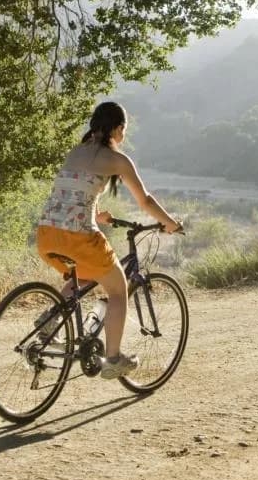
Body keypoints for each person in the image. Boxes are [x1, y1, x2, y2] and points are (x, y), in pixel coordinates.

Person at [36, 101, 181, 379]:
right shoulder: (117, 159)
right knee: (117, 290)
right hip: (78, 237)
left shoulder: (76, 151)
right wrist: (169, 223)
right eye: (123, 129)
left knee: (88, 276)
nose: (123, 134)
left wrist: (95, 213)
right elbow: (145, 200)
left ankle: (50, 319)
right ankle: (113, 359)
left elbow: (73, 192)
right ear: (118, 128)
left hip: (46, 234)